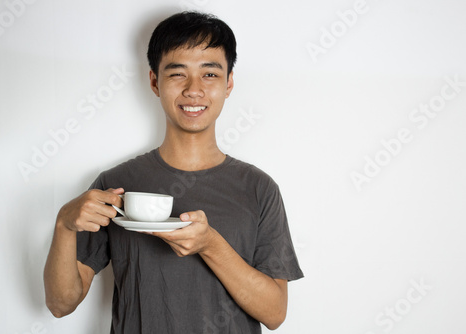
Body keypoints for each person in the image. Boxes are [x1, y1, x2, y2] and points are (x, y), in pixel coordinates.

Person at [44, 11, 303, 334]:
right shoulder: (114, 185)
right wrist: (64, 225)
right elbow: (60, 303)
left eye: (209, 74)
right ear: (154, 81)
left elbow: (275, 313)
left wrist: (210, 244)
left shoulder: (259, 189)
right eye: (178, 74)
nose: (194, 90)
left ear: (229, 83)